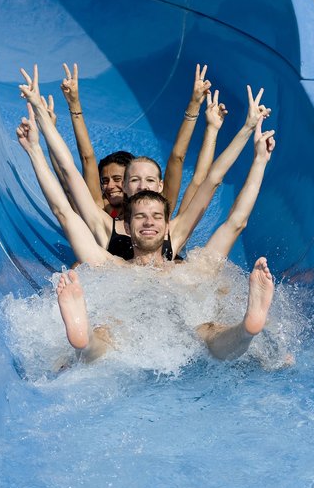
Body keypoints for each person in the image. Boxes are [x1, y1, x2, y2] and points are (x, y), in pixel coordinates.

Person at [16, 104, 282, 365]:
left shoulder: (194, 267)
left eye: (156, 217)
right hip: (130, 337)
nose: (148, 222)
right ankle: (83, 338)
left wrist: (260, 160)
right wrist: (35, 150)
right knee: (105, 332)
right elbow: (64, 211)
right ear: (128, 226)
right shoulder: (109, 265)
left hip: (183, 336)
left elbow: (235, 221)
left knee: (208, 329)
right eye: (140, 217)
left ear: (167, 226)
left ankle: (246, 330)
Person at [19, 67, 270, 262]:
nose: (149, 222)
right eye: (135, 180)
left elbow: (211, 181)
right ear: (125, 187)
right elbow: (68, 185)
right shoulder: (107, 236)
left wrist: (249, 133)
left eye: (149, 180)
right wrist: (37, 136)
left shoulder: (173, 233)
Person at [57, 62, 214, 216]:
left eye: (117, 179)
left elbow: (179, 159)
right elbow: (85, 160)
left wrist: (195, 105)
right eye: (104, 181)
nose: (110, 186)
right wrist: (73, 105)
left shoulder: (161, 209)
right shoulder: (103, 215)